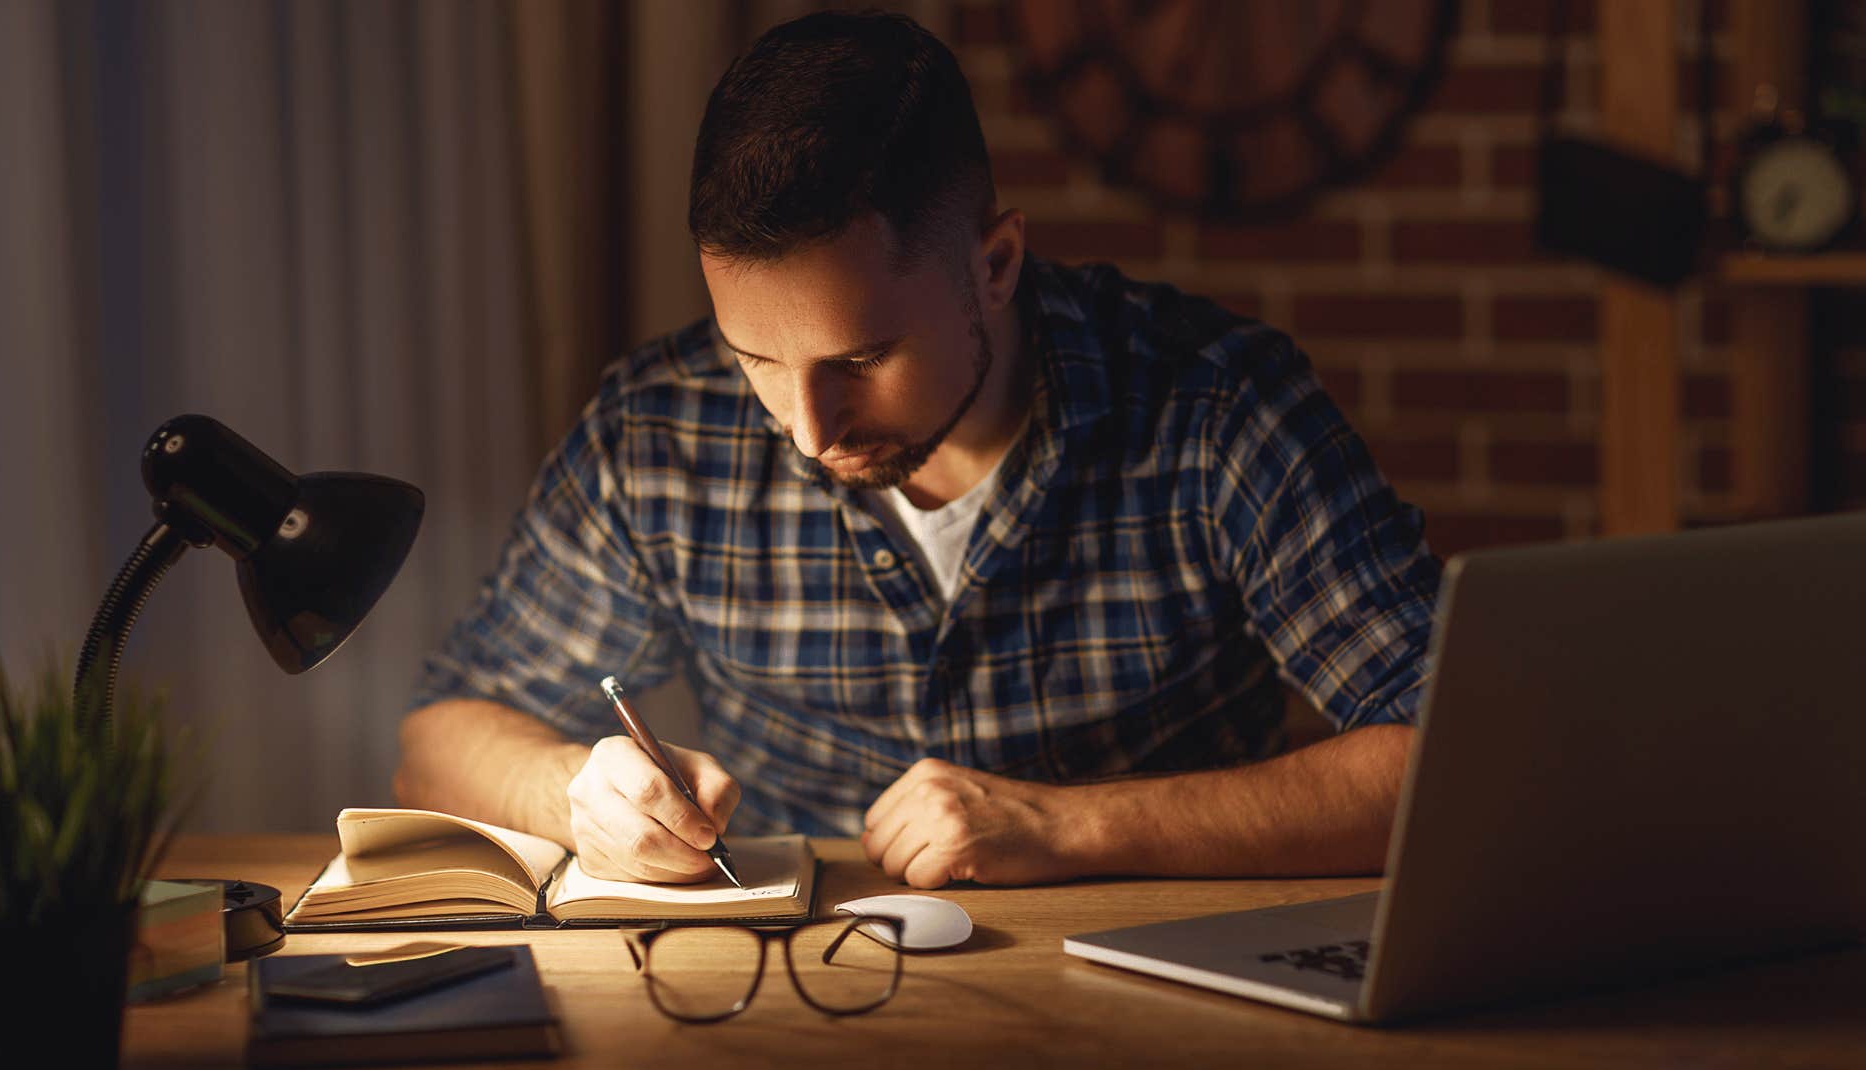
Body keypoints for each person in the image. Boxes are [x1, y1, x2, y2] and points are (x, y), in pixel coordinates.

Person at [394, 11, 1439, 890]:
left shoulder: (1216, 405)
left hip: (1155, 1003)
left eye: (860, 357)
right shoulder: (659, 435)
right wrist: (577, 793)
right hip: (793, 1006)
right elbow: (435, 739)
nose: (808, 429)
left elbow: (1451, 762)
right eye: (755, 356)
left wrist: (1070, 828)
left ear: (995, 262)